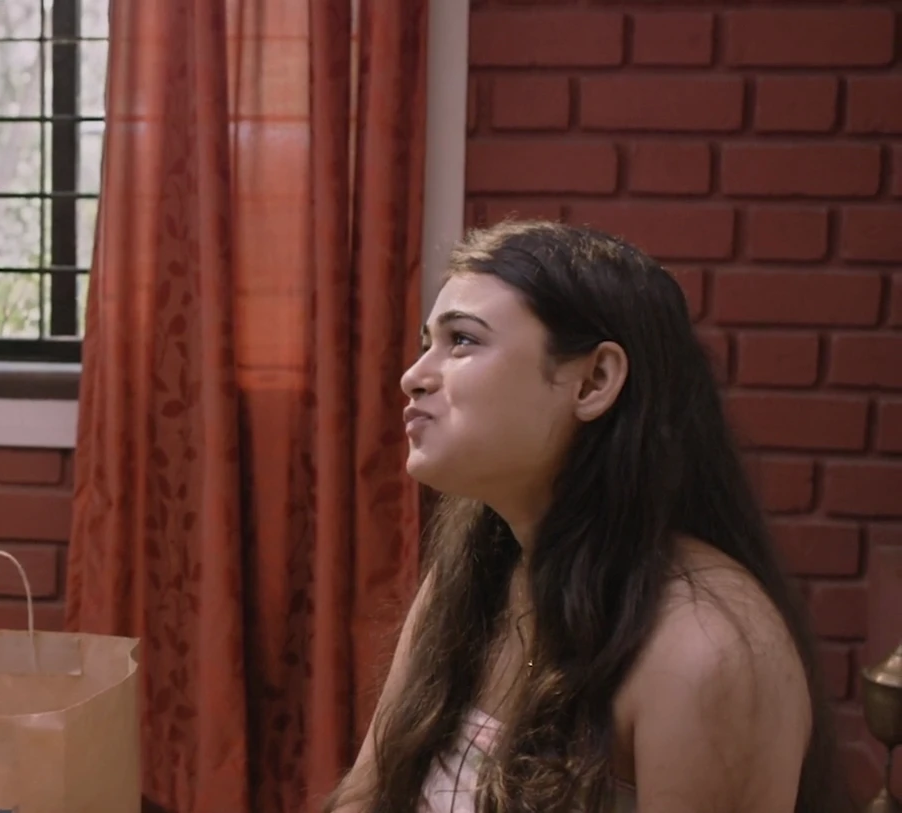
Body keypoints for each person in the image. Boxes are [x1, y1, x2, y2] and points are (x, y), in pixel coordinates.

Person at [325, 220, 849, 813]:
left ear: (594, 381)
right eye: (428, 343)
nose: (413, 376)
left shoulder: (707, 648)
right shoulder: (472, 578)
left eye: (463, 340)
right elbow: (363, 798)